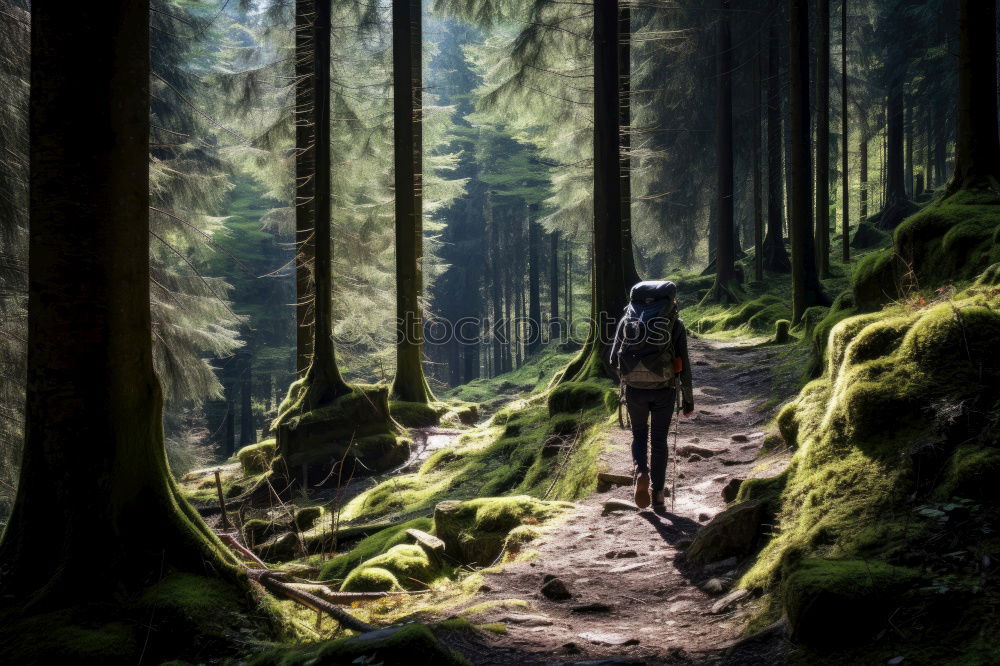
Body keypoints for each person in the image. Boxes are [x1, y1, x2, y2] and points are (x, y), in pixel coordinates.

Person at [609, 281, 694, 510]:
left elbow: (612, 359)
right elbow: (684, 364)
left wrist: (629, 376)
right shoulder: (674, 323)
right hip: (664, 389)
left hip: (635, 390)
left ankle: (641, 474)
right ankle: (658, 494)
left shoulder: (628, 320)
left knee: (638, 436)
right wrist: (688, 400)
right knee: (659, 441)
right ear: (671, 301)